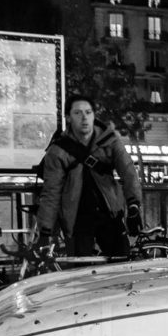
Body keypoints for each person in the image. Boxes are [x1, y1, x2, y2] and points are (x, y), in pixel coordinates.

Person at [36, 94, 143, 257]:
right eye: (78, 113)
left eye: (88, 112)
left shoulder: (110, 141)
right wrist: (45, 231)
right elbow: (51, 192)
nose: (84, 118)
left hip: (109, 213)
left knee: (121, 264)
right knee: (81, 271)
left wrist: (133, 205)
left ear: (94, 115)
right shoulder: (58, 151)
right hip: (77, 218)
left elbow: (128, 172)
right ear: (68, 118)